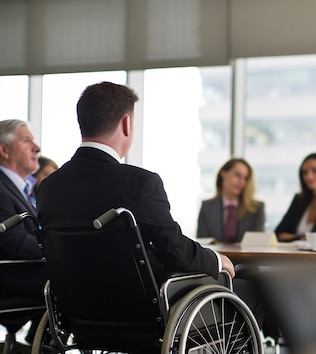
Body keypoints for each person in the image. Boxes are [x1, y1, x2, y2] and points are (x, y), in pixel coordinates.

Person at [36, 81, 270, 334]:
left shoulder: (49, 187)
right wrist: (216, 260)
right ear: (127, 124)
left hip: (79, 314)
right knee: (253, 293)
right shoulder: (140, 183)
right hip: (144, 313)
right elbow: (174, 250)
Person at [0, 119, 47, 343]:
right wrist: (61, 250)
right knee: (76, 280)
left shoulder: (13, 188)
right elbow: (16, 244)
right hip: (12, 281)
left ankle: (37, 341)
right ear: (3, 150)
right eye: (26, 141)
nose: (36, 148)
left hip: (21, 275)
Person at [197, 158, 265, 243]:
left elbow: (257, 243)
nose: (241, 181)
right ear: (223, 174)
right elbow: (202, 242)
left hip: (246, 256)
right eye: (237, 175)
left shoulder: (257, 208)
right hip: (214, 256)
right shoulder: (207, 207)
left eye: (246, 178)